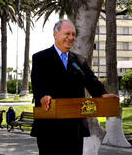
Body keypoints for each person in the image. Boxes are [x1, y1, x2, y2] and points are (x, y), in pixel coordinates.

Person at [30, 19, 118, 155]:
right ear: (56, 33)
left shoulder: (80, 61)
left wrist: (102, 94)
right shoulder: (41, 58)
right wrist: (43, 95)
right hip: (49, 128)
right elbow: (37, 82)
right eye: (67, 34)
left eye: (73, 34)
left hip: (75, 128)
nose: (71, 38)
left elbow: (91, 80)